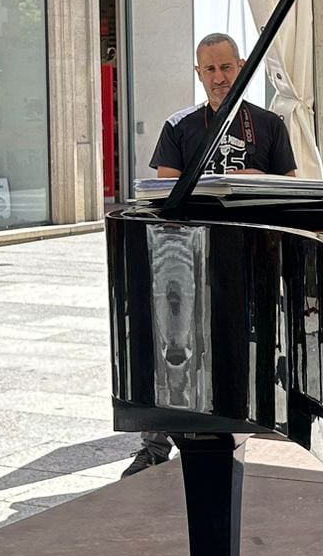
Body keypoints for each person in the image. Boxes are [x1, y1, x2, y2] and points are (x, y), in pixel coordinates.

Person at [123, 32, 299, 478]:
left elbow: (292, 187)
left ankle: (239, 421)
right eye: (210, 70)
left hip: (250, 255)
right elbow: (163, 191)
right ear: (198, 73)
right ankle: (155, 441)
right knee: (169, 347)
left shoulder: (269, 124)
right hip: (184, 257)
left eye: (226, 67)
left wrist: (258, 177)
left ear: (241, 66)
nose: (219, 78)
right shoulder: (179, 125)